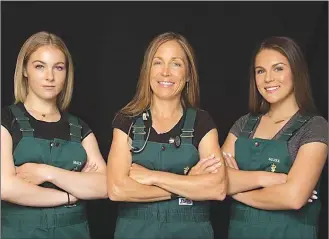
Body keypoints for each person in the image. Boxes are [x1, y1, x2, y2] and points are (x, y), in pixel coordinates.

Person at [107, 32, 228, 239]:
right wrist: (185, 184)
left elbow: (217, 188)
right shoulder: (126, 120)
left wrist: (152, 177)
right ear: (148, 70)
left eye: (176, 64)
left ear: (188, 74)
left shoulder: (202, 122)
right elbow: (117, 189)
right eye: (158, 63)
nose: (165, 72)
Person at [1, 31, 108, 239]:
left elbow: (103, 187)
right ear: (25, 70)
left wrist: (46, 173)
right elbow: (5, 187)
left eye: (58, 67)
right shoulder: (6, 119)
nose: (50, 77)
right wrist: (69, 195)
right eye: (40, 66)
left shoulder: (80, 128)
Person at [221, 36, 328, 239]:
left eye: (278, 68)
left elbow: (294, 197)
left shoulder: (315, 126)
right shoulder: (244, 124)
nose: (268, 78)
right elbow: (215, 179)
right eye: (260, 71)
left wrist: (235, 190)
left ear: (296, 72)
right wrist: (271, 180)